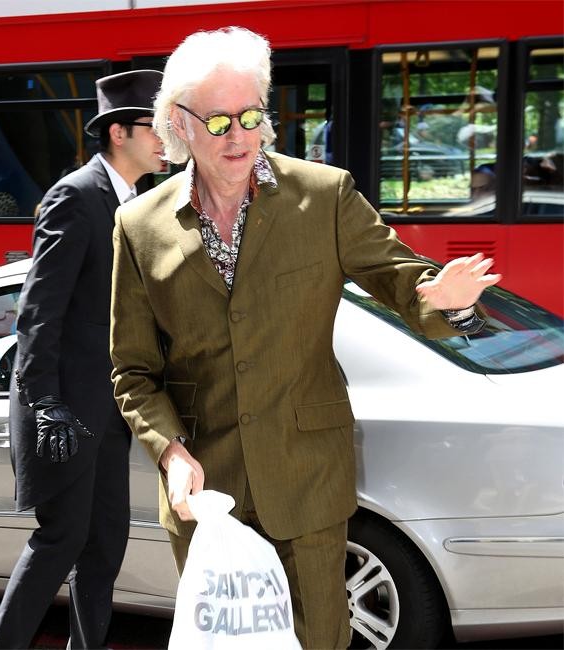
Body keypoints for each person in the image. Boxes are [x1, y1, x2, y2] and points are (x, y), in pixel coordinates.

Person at [109, 27, 501, 649]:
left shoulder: (324, 196)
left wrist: (445, 302)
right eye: (218, 122)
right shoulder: (138, 225)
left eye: (250, 116)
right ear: (179, 122)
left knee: (320, 639)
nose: (239, 137)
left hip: (308, 481)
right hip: (205, 496)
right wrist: (170, 451)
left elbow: (404, 282)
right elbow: (132, 371)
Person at [0, 69, 164, 650]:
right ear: (118, 132)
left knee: (106, 544)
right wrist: (45, 402)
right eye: (154, 126)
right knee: (61, 538)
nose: (165, 138)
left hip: (110, 407)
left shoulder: (137, 201)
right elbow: (39, 311)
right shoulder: (75, 196)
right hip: (65, 408)